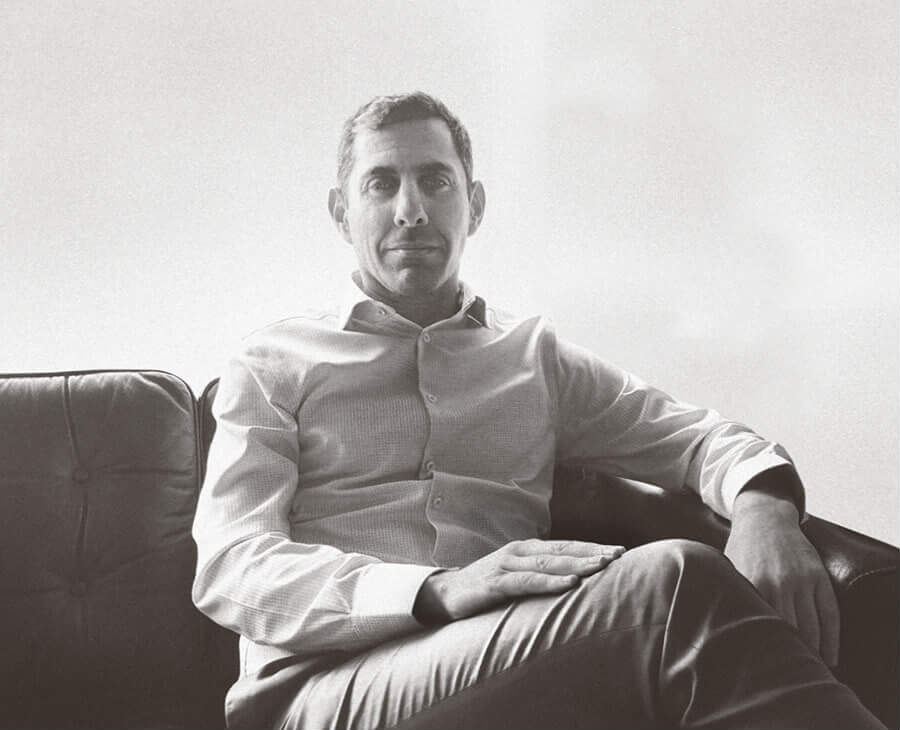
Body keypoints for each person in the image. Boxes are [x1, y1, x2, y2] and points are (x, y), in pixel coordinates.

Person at [191, 92, 884, 729]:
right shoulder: (272, 361)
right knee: (672, 584)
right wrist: (436, 589)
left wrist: (765, 511)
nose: (411, 210)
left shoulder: (532, 359)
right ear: (341, 212)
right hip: (321, 692)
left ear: (475, 205)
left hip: (517, 669)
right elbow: (232, 565)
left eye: (435, 181)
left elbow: (699, 439)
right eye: (381, 183)